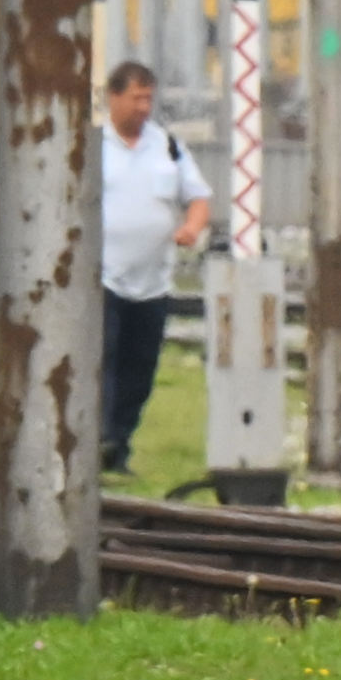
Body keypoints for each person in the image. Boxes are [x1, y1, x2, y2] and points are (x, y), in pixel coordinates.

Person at [96, 62, 208, 468]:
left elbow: (197, 197)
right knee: (102, 360)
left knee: (139, 368)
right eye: (136, 98)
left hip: (153, 283)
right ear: (114, 97)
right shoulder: (94, 147)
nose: (143, 107)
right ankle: (101, 437)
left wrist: (191, 228)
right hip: (104, 277)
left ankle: (119, 442)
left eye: (148, 98)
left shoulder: (167, 146)